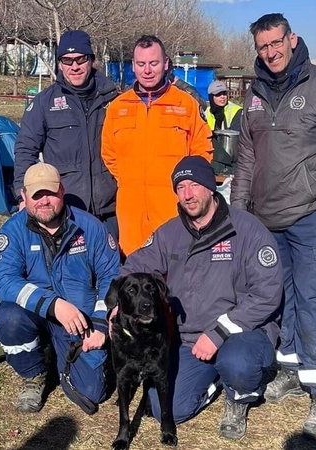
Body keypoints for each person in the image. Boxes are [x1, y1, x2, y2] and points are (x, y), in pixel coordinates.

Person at [231, 13, 316, 440]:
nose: (270, 52)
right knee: (279, 301)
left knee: (312, 302)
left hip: (310, 218)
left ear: (292, 39)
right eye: (262, 46)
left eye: (276, 43)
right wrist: (239, 213)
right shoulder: (253, 94)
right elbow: (247, 159)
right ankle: (290, 370)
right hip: (266, 223)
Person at [117, 155, 283, 440]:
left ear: (210, 187)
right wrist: (118, 303)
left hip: (242, 333)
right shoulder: (170, 232)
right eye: (180, 188)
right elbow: (134, 267)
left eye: (194, 185)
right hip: (190, 339)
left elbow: (268, 293)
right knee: (166, 409)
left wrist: (219, 332)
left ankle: (239, 398)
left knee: (238, 364)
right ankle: (216, 380)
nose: (188, 194)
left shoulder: (247, 229)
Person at [0, 162, 121, 414]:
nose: (44, 201)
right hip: (36, 312)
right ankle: (35, 373)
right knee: (8, 319)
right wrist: (52, 304)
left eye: (50, 193)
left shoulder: (90, 226)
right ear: (24, 196)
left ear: (62, 191)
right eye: (37, 195)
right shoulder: (13, 230)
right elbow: (4, 279)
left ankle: (60, 355)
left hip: (80, 318)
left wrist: (101, 322)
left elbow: (111, 275)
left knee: (93, 393)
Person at [101, 35, 213, 257]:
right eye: (141, 64)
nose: (147, 70)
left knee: (175, 271)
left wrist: (187, 190)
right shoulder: (118, 107)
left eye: (154, 63)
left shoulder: (186, 104)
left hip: (172, 207)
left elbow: (202, 152)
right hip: (131, 208)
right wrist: (129, 179)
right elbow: (108, 153)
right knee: (136, 274)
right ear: (133, 65)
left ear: (166, 63)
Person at [12, 30, 120, 240]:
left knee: (113, 270)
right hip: (67, 210)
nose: (75, 67)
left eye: (81, 59)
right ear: (60, 64)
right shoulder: (44, 103)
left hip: (111, 209)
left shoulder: (114, 99)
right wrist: (23, 194)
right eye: (68, 61)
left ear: (91, 61)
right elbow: (25, 149)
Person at [205, 80, 243, 174]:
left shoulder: (236, 110)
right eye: (218, 94)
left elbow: (234, 134)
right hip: (212, 157)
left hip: (232, 158)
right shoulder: (207, 112)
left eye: (224, 94)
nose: (222, 97)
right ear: (211, 97)